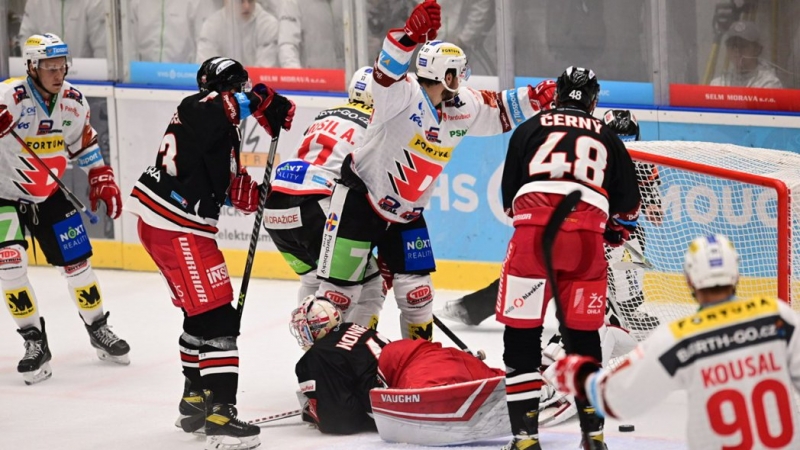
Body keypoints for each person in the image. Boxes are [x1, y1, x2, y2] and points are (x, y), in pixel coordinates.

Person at [314, 0, 553, 340]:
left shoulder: (463, 105)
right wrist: (408, 36)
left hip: (407, 216)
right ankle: (332, 362)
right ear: (447, 76)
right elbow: (385, 72)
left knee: (418, 295)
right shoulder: (401, 95)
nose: (463, 79)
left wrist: (539, 97)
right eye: (459, 72)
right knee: (339, 297)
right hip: (359, 204)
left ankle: (418, 361)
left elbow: (499, 109)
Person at [126, 56, 295, 449]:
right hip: (177, 225)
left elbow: (233, 188)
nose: (239, 94)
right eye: (237, 87)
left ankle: (195, 403)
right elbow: (221, 107)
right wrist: (261, 101)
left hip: (172, 225)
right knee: (219, 320)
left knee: (200, 316)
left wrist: (266, 194)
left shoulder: (220, 132)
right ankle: (220, 416)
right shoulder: (197, 107)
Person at [496, 66, 641, 450]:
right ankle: (593, 439)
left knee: (521, 341)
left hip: (532, 241)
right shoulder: (607, 135)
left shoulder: (529, 128)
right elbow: (629, 208)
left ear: (557, 96)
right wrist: (611, 230)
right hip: (585, 244)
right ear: (594, 101)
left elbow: (508, 200)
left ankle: (525, 441)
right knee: (585, 340)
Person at [553, 233, 800, 450]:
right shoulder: (778, 317)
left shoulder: (678, 338)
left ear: (690, 279)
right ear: (736, 274)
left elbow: (616, 399)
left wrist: (578, 375)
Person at [437, 108, 662, 332]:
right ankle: (472, 308)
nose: (624, 148)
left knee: (631, 243)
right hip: (578, 224)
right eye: (619, 141)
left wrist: (652, 206)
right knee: (541, 273)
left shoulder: (643, 161)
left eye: (628, 142)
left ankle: (626, 309)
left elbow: (653, 206)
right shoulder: (589, 152)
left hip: (606, 230)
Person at [0, 33, 128, 385]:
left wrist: (100, 176)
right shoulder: (8, 96)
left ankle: (98, 328)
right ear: (31, 67)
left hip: (50, 193)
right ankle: (34, 342)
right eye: (49, 67)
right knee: (10, 264)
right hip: (4, 196)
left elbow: (82, 143)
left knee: (78, 265)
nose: (58, 74)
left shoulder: (73, 101)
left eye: (61, 66)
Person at [264, 66, 386, 326]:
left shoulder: (326, 114)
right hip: (317, 203)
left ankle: (313, 346)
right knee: (370, 287)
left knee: (312, 281)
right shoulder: (378, 124)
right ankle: (351, 347)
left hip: (275, 206)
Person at [291, 295, 505, 439]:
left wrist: (315, 412)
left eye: (305, 328)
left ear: (316, 328)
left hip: (412, 373)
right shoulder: (352, 327)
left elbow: (341, 421)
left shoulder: (318, 354)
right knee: (497, 380)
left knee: (431, 398)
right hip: (432, 355)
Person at [196, 0, 278, 67]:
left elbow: (264, 67)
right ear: (227, 1)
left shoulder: (268, 24)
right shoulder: (212, 25)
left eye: (250, 1)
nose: (246, 6)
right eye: (240, 1)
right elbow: (207, 64)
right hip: (222, 81)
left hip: (256, 81)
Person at [128, 0, 214, 63]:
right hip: (142, 76)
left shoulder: (196, 2)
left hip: (183, 76)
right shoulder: (136, 3)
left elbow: (204, 45)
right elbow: (130, 46)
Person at [17, 0, 107, 58]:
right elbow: (27, 41)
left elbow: (102, 49)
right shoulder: (36, 3)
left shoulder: (94, 3)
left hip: (85, 77)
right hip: (45, 75)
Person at [710, 20, 782, 88]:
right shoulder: (719, 83)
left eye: (743, 45)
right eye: (733, 45)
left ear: (757, 49)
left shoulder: (769, 83)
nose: (737, 50)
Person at [277, 0, 344, 69]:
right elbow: (288, 46)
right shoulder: (293, 2)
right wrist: (297, 75)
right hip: (312, 73)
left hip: (344, 73)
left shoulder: (344, 3)